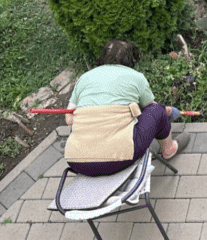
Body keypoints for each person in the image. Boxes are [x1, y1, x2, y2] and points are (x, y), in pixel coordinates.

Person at [63, 39, 190, 176]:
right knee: (157, 110)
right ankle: (169, 149)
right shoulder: (136, 77)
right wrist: (164, 111)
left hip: (77, 162)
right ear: (131, 60)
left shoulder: (84, 78)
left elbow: (69, 119)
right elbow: (151, 107)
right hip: (119, 158)